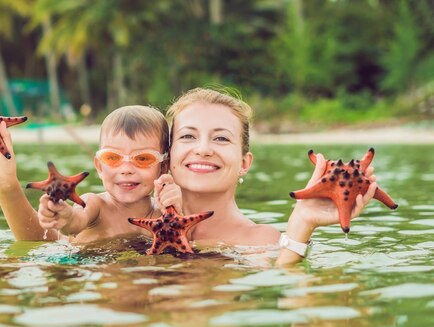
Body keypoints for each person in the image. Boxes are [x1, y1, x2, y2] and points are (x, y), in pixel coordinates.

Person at [158, 87, 378, 264]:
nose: (203, 149)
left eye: (221, 139)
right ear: (168, 156)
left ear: (244, 163)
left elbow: (290, 300)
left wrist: (302, 222)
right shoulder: (140, 219)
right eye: (188, 136)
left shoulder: (261, 241)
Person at [37, 105, 182, 242]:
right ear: (100, 167)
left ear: (163, 167)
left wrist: (177, 212)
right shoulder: (95, 205)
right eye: (112, 157)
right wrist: (65, 216)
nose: (126, 169)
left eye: (143, 158)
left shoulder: (161, 214)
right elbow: (76, 221)